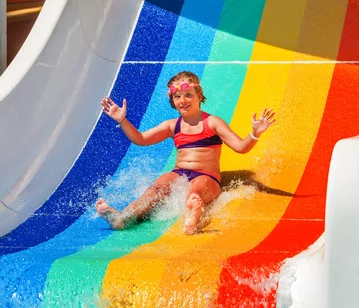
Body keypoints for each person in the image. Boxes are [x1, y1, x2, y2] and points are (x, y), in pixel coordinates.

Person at [95, 71, 276, 234]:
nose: (183, 100)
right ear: (172, 101)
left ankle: (192, 219)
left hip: (207, 177)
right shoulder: (172, 125)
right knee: (158, 187)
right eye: (177, 96)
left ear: (199, 95)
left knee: (196, 189)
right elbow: (141, 139)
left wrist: (255, 133)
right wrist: (123, 120)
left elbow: (241, 147)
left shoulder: (212, 122)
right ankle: (121, 218)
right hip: (179, 173)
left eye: (188, 95)